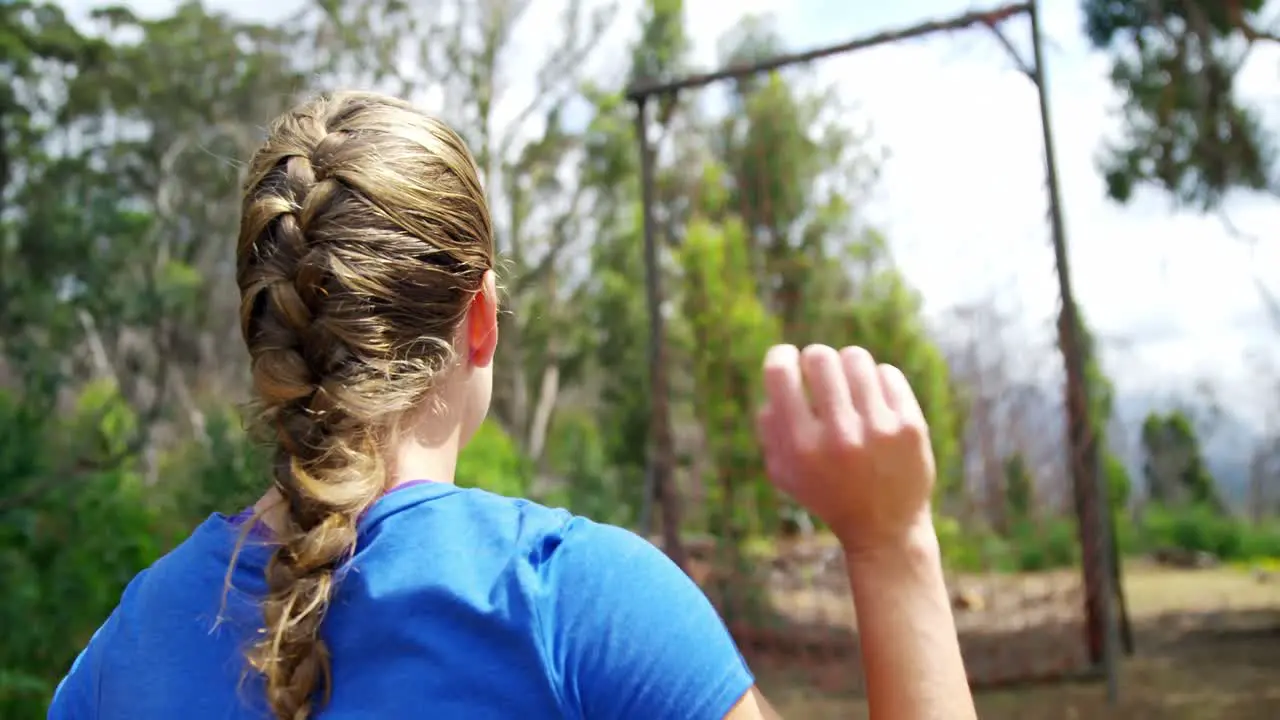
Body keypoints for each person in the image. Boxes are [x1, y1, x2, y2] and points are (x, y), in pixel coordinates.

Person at [48, 91, 975, 720]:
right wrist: (890, 546)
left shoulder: (126, 648)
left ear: (266, 337)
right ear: (480, 318)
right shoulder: (576, 605)